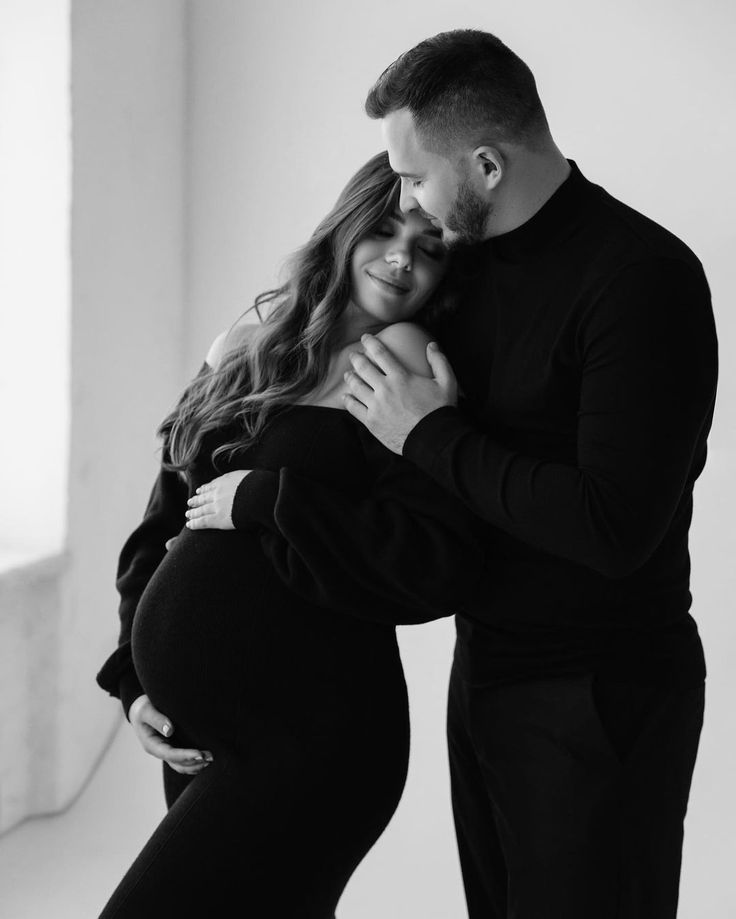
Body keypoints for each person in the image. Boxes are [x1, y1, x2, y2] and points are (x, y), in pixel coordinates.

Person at [341, 29, 719, 919]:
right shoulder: (459, 267)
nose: (405, 201)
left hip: (602, 696)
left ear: (485, 163)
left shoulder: (643, 278)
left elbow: (612, 525)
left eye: (414, 176)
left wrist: (427, 435)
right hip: (487, 675)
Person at [95, 151, 484, 918]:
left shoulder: (402, 362)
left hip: (313, 736)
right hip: (203, 735)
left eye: (431, 245)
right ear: (345, 228)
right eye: (384, 228)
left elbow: (429, 560)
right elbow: (159, 528)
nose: (403, 257)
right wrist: (133, 684)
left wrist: (270, 500)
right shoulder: (246, 343)